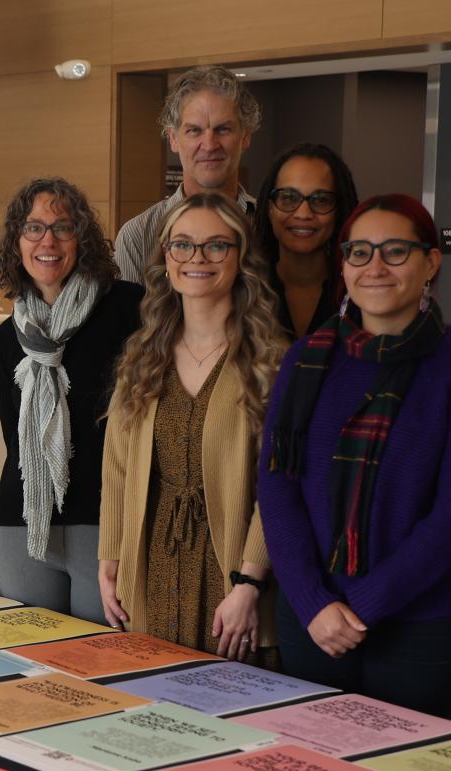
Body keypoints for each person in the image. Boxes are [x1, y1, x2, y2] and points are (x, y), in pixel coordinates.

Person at [257, 193, 451, 718]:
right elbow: (277, 487)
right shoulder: (307, 360)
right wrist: (312, 600)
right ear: (342, 264)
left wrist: (364, 606)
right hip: (311, 620)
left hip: (418, 624)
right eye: (360, 252)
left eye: (395, 251)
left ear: (430, 262)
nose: (375, 267)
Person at [99, 192, 287, 659]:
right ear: (165, 257)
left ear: (240, 257)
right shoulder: (143, 356)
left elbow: (280, 483)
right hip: (154, 561)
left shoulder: (270, 362)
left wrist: (249, 583)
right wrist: (111, 557)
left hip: (232, 572)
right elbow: (118, 466)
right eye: (182, 244)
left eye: (216, 246)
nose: (197, 258)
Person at [0, 177, 142, 621]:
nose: (48, 241)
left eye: (63, 227)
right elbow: (14, 445)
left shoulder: (127, 310)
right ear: (17, 242)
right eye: (33, 228)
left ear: (83, 239)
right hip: (24, 526)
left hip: (103, 528)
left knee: (102, 667)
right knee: (28, 670)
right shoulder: (6, 338)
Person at [115, 65, 262, 284]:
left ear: (245, 137)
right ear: (173, 138)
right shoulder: (138, 236)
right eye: (194, 130)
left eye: (223, 129)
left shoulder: (269, 225)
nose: (210, 145)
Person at [253, 143, 360, 339]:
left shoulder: (360, 291)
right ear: (270, 208)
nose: (303, 214)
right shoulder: (246, 287)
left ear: (339, 210)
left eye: (320, 200)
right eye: (288, 198)